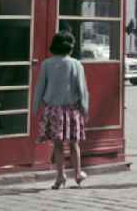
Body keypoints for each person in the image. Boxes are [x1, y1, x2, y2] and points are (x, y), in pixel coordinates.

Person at [32, 30, 90, 189]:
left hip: (53, 110)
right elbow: (82, 89)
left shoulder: (46, 64)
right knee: (74, 144)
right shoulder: (76, 64)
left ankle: (60, 176)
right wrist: (85, 109)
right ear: (71, 48)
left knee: (57, 145)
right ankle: (78, 174)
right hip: (72, 111)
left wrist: (35, 108)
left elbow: (39, 88)